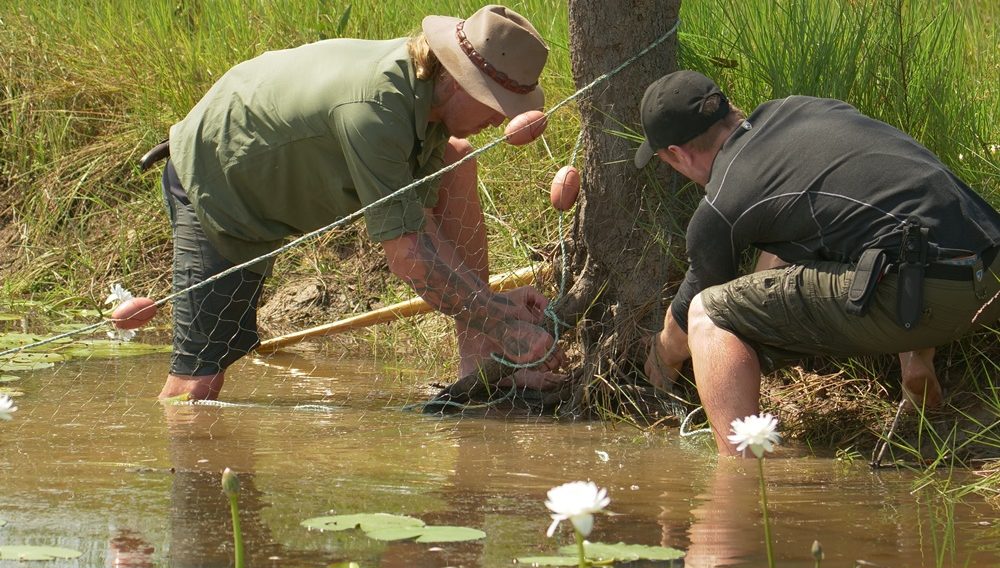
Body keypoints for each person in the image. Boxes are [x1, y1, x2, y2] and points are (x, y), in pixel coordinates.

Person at [156, 5, 564, 400]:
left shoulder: (430, 101)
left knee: (457, 160)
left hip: (271, 162)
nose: (501, 119)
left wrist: (494, 305)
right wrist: (502, 324)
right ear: (457, 79)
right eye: (494, 102)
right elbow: (410, 258)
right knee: (198, 386)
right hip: (219, 178)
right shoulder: (376, 110)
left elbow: (424, 229)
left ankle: (480, 365)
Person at [636, 70, 1000, 456]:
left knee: (707, 315)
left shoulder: (721, 202)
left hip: (927, 297)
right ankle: (917, 363)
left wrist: (659, 362)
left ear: (676, 154)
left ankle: (738, 476)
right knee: (873, 226)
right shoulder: (799, 109)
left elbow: (690, 315)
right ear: (728, 108)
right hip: (989, 267)